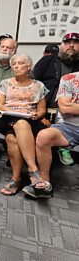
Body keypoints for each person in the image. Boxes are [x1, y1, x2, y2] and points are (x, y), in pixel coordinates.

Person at [0, 54, 47, 196]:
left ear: (29, 66)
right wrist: (15, 111)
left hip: (31, 119)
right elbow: (0, 105)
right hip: (6, 118)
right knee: (20, 123)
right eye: (14, 64)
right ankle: (33, 170)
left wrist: (38, 115)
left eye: (20, 63)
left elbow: (42, 109)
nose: (16, 66)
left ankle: (16, 179)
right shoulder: (5, 83)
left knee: (12, 139)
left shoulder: (38, 86)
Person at [28, 71, 79, 199]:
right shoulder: (69, 78)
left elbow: (70, 107)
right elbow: (65, 108)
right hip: (69, 127)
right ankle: (44, 184)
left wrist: (74, 106)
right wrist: (69, 106)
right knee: (44, 136)